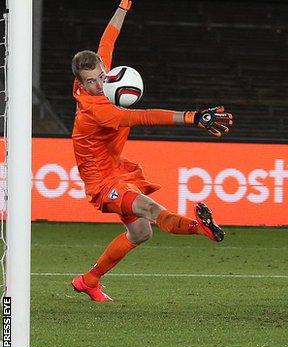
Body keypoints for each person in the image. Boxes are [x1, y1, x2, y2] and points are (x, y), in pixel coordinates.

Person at [70, 0, 234, 302]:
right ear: (79, 83)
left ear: (105, 69)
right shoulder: (95, 110)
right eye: (89, 81)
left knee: (141, 233)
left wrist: (123, 5)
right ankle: (200, 229)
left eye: (99, 77)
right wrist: (192, 117)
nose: (97, 84)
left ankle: (89, 280)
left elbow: (108, 38)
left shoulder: (104, 79)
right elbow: (143, 116)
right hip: (102, 182)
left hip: (116, 168)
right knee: (149, 209)